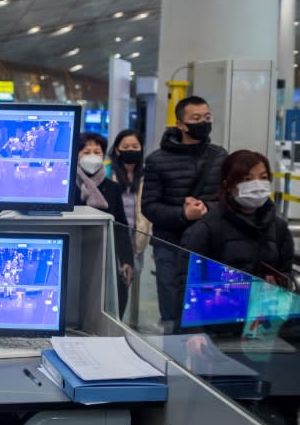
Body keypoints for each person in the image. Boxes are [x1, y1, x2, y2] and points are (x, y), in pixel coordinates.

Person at [142, 96, 227, 329]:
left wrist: (207, 208)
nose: (203, 123)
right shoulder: (156, 161)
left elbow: (228, 199)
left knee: (209, 313)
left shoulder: (220, 157)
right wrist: (183, 214)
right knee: (172, 315)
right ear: (180, 124)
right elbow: (149, 206)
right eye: (196, 118)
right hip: (170, 246)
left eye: (207, 118)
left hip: (210, 247)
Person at [182, 150, 293, 284]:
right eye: (247, 179)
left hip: (263, 303)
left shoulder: (279, 228)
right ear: (227, 186)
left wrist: (282, 283)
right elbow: (187, 278)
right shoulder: (207, 228)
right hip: (220, 303)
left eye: (263, 177)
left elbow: (286, 273)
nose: (257, 185)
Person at [75, 132, 134, 316]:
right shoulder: (68, 187)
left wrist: (126, 260)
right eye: (86, 152)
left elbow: (121, 226)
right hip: (76, 252)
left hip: (107, 256)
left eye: (97, 151)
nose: (92, 156)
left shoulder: (113, 188)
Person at [108, 129, 152, 286]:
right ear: (117, 150)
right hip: (113, 239)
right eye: (125, 147)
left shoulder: (147, 176)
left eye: (135, 146)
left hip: (137, 240)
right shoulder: (108, 173)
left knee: (128, 283)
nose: (131, 150)